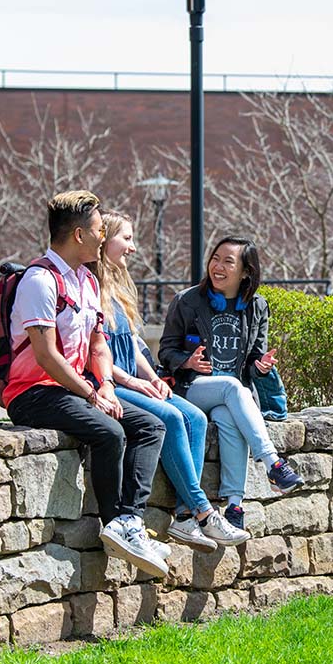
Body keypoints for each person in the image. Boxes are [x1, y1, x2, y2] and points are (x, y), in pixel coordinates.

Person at [2, 190, 171, 577]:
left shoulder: (87, 282)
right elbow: (45, 356)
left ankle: (129, 521)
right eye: (98, 230)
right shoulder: (40, 281)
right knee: (110, 432)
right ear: (79, 235)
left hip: (77, 389)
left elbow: (99, 343)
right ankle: (114, 522)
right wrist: (91, 394)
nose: (102, 236)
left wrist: (107, 386)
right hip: (34, 393)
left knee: (150, 425)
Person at [92, 211, 249, 551]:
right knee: (173, 418)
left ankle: (183, 518)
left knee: (194, 416)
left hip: (135, 379)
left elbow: (131, 344)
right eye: (127, 238)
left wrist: (153, 378)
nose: (133, 248)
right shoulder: (89, 284)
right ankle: (204, 511)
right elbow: (96, 350)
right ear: (105, 240)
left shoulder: (121, 284)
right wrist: (133, 384)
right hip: (108, 383)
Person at [159, 236, 305, 530]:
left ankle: (235, 506)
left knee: (229, 418)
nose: (218, 266)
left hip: (232, 398)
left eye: (228, 261)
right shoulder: (187, 301)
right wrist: (187, 362)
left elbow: (254, 356)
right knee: (231, 388)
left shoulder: (257, 306)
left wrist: (260, 366)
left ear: (245, 271)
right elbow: (165, 351)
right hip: (192, 389)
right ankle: (273, 463)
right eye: (215, 258)